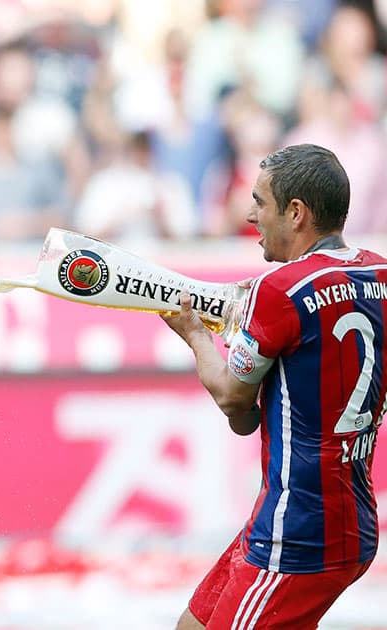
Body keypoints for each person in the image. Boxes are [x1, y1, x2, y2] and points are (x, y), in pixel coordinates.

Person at [161, 143, 383, 629]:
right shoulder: (380, 273)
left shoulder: (278, 290)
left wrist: (196, 334)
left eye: (261, 202)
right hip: (343, 516)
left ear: (296, 213)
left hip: (299, 531)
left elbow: (234, 400)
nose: (250, 214)